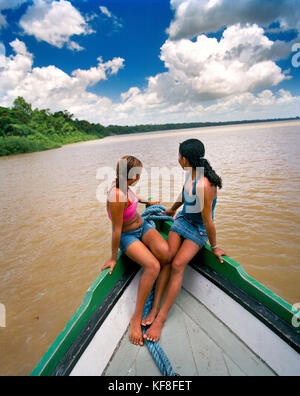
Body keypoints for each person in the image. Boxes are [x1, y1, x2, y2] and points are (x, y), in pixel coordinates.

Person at [143, 139, 228, 342]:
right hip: (183, 218)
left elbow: (208, 221)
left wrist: (214, 247)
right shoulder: (192, 174)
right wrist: (173, 209)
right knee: (166, 258)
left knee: (178, 265)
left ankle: (161, 318)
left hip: (198, 228)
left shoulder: (203, 184)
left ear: (185, 159)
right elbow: (183, 196)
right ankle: (154, 308)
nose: (177, 159)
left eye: (179, 155)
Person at [101, 155, 169, 347]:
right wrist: (113, 258)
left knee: (165, 253)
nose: (140, 175)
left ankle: (155, 306)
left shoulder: (124, 185)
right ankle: (136, 318)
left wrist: (147, 200)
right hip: (128, 236)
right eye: (138, 173)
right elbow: (116, 229)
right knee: (153, 266)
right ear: (131, 175)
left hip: (143, 226)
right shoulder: (116, 195)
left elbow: (133, 197)